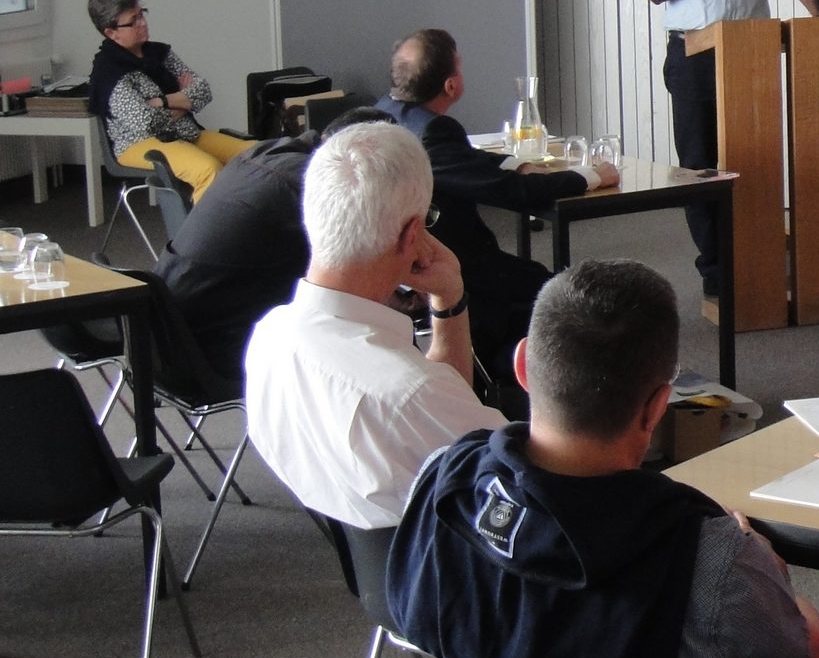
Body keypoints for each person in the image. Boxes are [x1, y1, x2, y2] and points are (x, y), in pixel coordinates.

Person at [386, 260, 819, 658]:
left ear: (523, 366)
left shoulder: (444, 487)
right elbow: (807, 655)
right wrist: (763, 560)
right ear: (658, 405)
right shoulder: (708, 559)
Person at [245, 122, 506, 530]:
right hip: (467, 573)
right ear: (413, 234)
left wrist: (448, 301)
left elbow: (445, 400)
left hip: (386, 571)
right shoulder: (407, 393)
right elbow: (529, 488)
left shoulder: (268, 338)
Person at [376, 28, 618, 405]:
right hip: (455, 272)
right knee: (560, 292)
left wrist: (516, 164)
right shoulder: (434, 132)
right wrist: (590, 177)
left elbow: (465, 161)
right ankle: (557, 396)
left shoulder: (386, 113)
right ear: (451, 85)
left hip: (401, 271)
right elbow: (509, 194)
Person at [641, 0, 819, 297]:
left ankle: (758, 258)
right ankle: (717, 273)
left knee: (754, 160)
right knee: (701, 167)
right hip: (694, 58)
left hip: (753, 54)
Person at [155, 105, 396, 377]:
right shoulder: (312, 185)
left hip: (161, 332)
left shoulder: (264, 152)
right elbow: (354, 273)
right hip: (206, 351)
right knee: (364, 323)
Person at [86, 0, 252, 200]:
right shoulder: (109, 72)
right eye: (133, 21)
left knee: (256, 155)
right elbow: (146, 122)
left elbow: (203, 90)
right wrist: (184, 101)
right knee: (207, 170)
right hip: (139, 144)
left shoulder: (159, 53)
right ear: (111, 33)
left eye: (141, 14)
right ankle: (204, 234)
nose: (143, 23)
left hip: (185, 133)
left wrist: (163, 101)